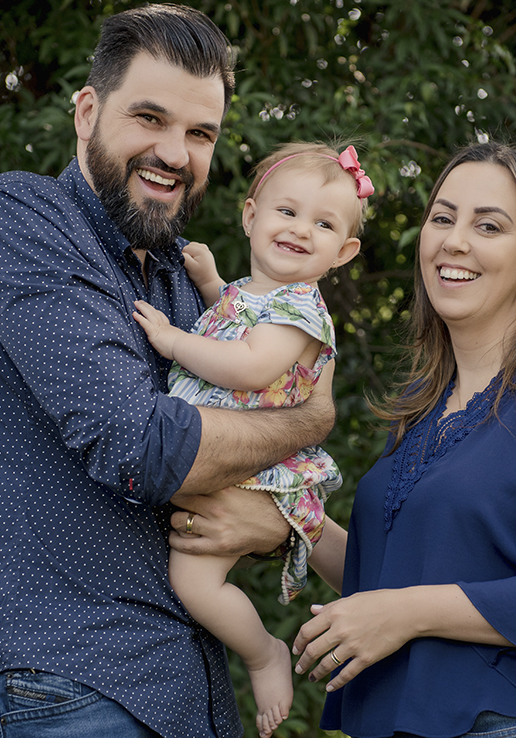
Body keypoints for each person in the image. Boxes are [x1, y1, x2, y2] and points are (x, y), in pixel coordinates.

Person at [0, 3, 336, 738]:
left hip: (185, 697)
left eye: (200, 134)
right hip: (63, 685)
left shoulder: (185, 284)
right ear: (87, 113)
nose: (174, 153)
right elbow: (143, 445)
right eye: (150, 118)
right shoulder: (22, 218)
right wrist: (309, 419)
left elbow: (239, 472)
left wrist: (272, 526)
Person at [292, 141, 516, 738]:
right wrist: (290, 519)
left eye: (488, 226)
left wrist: (406, 612)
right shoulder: (424, 412)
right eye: (443, 218)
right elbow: (386, 578)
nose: (455, 241)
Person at [132, 142, 374, 737]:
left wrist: (173, 341)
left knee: (194, 583)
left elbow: (249, 365)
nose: (301, 229)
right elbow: (237, 321)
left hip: (254, 470)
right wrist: (213, 284)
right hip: (227, 460)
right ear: (251, 216)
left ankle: (264, 653)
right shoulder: (256, 294)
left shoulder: (302, 310)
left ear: (343, 252)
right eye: (287, 211)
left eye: (324, 224)